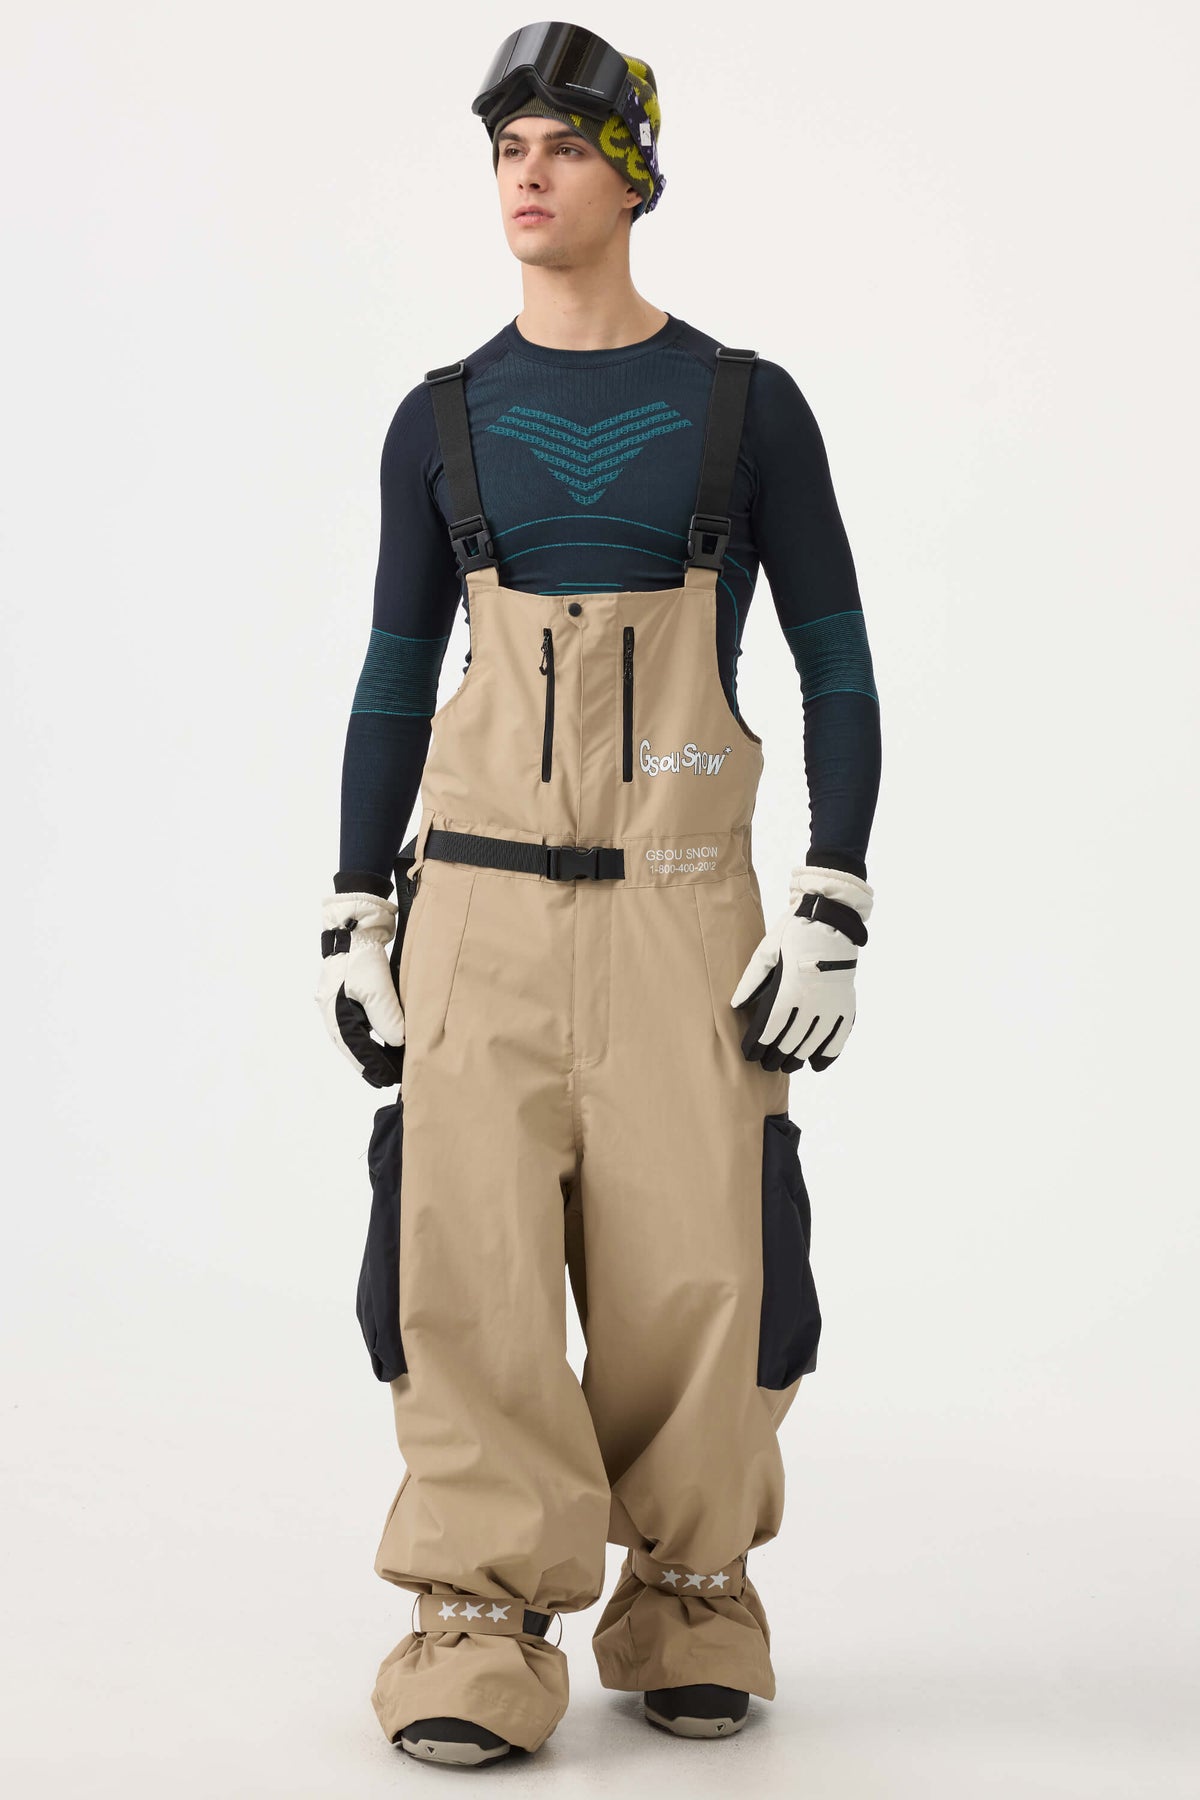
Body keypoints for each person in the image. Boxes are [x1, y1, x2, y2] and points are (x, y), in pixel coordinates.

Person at [316, 21, 881, 1768]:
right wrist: (352, 910)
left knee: (705, 1268)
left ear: (633, 175)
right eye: (508, 151)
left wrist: (834, 896)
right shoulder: (441, 420)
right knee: (462, 1269)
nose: (529, 176)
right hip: (475, 918)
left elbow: (839, 668)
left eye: (563, 146)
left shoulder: (744, 409)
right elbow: (395, 679)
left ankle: (694, 1596)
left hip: (684, 913)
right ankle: (476, 1625)